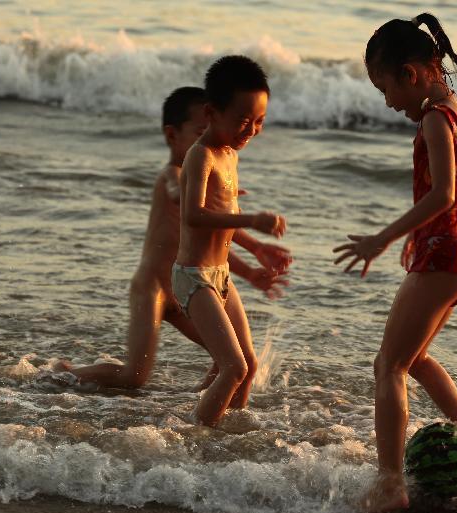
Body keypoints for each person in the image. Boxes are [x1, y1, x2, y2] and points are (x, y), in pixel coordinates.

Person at [333, 13, 457, 513]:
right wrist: (426, 236)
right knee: (415, 358)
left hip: (443, 253)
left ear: (412, 73)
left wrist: (383, 238)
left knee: (389, 366)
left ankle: (390, 483)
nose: (387, 102)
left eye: (385, 88)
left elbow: (444, 192)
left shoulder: (431, 119)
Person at [62, 86, 291, 392]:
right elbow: (177, 194)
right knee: (134, 377)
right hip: (153, 289)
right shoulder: (172, 173)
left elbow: (218, 237)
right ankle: (65, 375)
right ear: (173, 135)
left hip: (191, 288)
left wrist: (254, 255)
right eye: (200, 131)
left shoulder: (212, 170)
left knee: (227, 357)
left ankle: (199, 406)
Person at [174, 56, 287, 427]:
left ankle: (220, 427)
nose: (251, 130)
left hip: (221, 275)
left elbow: (223, 223)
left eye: (259, 121)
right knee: (233, 366)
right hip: (194, 277)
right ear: (211, 112)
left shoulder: (230, 155)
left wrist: (255, 249)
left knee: (248, 365)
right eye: (243, 120)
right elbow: (193, 216)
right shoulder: (201, 156)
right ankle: (197, 437)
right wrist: (253, 218)